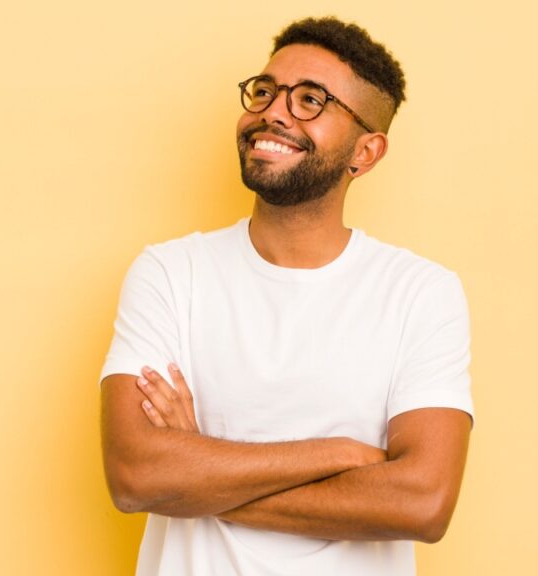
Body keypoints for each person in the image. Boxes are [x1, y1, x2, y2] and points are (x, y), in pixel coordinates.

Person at [99, 16, 474, 576]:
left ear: (366, 153)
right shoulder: (172, 273)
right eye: (266, 91)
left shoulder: (420, 292)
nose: (273, 112)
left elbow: (422, 502)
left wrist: (198, 469)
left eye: (310, 101)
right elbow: (136, 476)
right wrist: (341, 455)